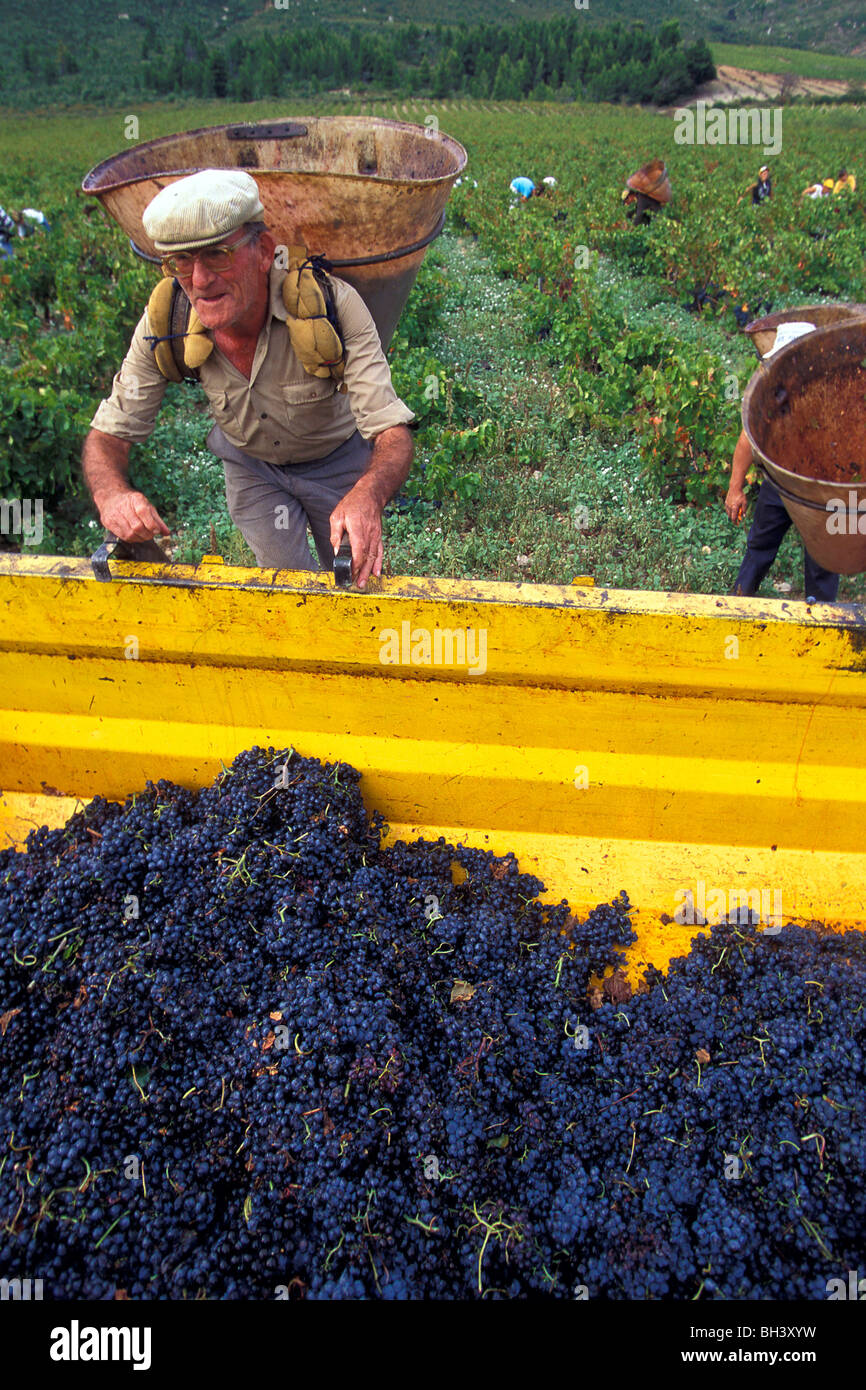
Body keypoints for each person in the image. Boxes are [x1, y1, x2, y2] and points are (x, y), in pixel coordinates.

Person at [82, 170, 415, 590]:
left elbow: (392, 432)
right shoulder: (168, 321)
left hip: (335, 458)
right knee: (284, 587)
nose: (200, 280)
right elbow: (107, 436)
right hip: (252, 468)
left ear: (262, 250)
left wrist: (368, 494)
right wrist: (110, 494)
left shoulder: (330, 306)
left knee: (355, 581)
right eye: (181, 261)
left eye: (217, 254)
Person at [725, 429, 839, 603]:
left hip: (826, 488)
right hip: (780, 480)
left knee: (823, 563)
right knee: (759, 548)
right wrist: (735, 488)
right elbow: (749, 436)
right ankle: (736, 608)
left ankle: (822, 623)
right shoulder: (771, 401)